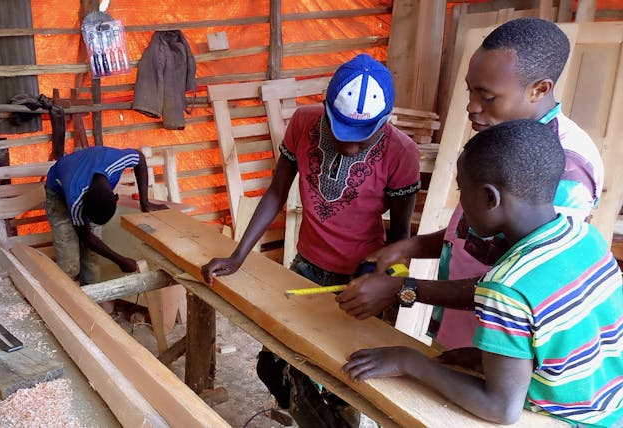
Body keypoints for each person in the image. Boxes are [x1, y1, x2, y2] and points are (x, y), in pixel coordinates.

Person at [336, 18, 605, 358]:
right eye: (470, 91)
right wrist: (410, 247)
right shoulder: (503, 135)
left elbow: (530, 285)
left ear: (539, 88)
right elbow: (474, 234)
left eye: (487, 96)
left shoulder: (566, 169)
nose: (471, 107)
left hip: (504, 353)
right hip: (464, 329)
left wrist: (404, 290)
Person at [343, 119, 623, 426]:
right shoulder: (586, 238)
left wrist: (409, 361)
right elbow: (564, 339)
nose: (460, 202)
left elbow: (501, 409)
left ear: (490, 198)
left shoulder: (506, 287)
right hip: (608, 410)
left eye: (462, 190)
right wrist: (485, 359)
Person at [200, 53, 422, 426]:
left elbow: (400, 237)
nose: (351, 146)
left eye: (362, 137)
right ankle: (304, 410)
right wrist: (238, 255)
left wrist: (383, 285)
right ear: (325, 109)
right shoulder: (303, 124)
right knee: (275, 363)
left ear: (384, 123)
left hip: (359, 283)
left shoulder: (402, 152)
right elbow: (275, 193)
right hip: (304, 269)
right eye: (342, 132)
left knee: (342, 383)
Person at [45, 146, 167, 288]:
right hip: (58, 192)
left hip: (86, 168)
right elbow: (86, 237)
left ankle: (92, 294)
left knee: (92, 257)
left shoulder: (116, 161)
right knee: (69, 262)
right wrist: (121, 261)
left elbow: (139, 158)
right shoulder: (75, 198)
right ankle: (68, 295)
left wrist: (145, 202)